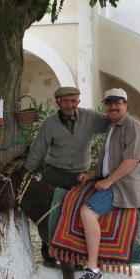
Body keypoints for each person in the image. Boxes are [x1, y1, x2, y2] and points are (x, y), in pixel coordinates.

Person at [23, 86, 110, 266]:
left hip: (79, 176)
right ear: (58, 102)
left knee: (76, 213)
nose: (69, 105)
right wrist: (25, 173)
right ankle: (48, 251)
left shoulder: (90, 117)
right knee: (49, 211)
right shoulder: (49, 123)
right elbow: (37, 149)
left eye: (73, 100)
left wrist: (130, 121)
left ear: (78, 102)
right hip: (54, 173)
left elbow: (114, 121)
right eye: (65, 101)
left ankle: (75, 254)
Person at [74, 88, 140, 279]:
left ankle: (93, 270)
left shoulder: (133, 127)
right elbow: (106, 158)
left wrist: (108, 181)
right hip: (112, 180)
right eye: (109, 103)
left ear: (126, 105)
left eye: (117, 103)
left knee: (87, 212)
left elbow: (133, 160)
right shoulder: (112, 127)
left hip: (125, 185)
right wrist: (92, 175)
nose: (113, 106)